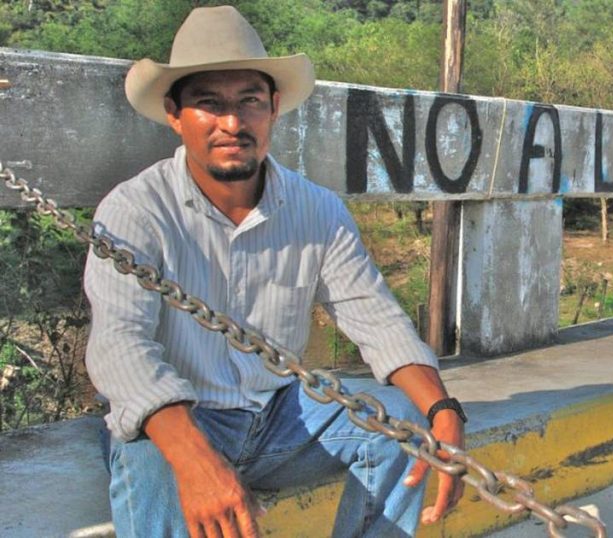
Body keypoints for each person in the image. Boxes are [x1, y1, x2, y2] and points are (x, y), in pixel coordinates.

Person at [84, 6, 465, 537]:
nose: (232, 123)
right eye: (208, 104)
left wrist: (444, 410)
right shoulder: (135, 210)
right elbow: (120, 346)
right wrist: (196, 461)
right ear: (174, 114)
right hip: (180, 421)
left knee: (403, 422)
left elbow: (376, 320)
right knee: (148, 452)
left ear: (274, 108)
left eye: (249, 102)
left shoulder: (317, 210)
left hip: (282, 419)